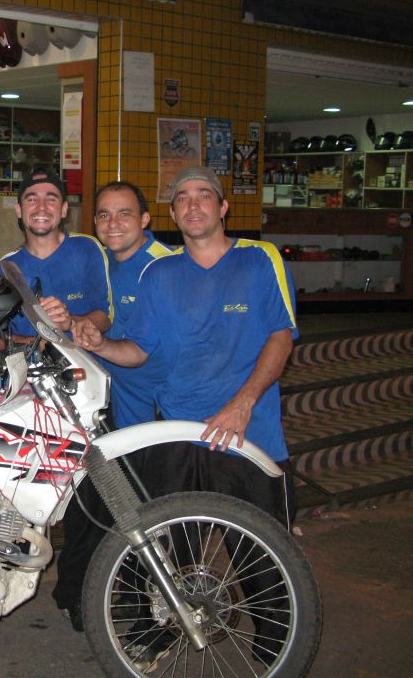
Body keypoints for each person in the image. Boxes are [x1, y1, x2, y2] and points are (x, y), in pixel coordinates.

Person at [72, 165, 297, 665]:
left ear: (222, 207)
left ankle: (280, 640)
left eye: (203, 196)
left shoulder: (260, 260)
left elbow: (281, 336)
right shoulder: (161, 273)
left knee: (262, 554)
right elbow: (141, 351)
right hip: (177, 431)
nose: (193, 206)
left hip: (247, 433)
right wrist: (102, 343)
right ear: (172, 214)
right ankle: (166, 627)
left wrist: (242, 403)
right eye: (183, 200)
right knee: (168, 549)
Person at [51, 180, 172, 630]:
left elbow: (138, 349)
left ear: (144, 219)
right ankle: (80, 597)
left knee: (152, 523)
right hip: (117, 411)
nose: (113, 223)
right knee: (95, 508)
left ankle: (153, 621)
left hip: (161, 414)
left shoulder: (164, 267)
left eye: (124, 213)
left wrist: (96, 340)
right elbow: (101, 322)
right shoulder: (109, 264)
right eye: (104, 214)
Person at [0, 166, 112, 337]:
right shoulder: (4, 268)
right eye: (32, 200)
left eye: (51, 199)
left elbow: (105, 318)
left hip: (82, 362)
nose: (41, 207)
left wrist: (70, 322)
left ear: (64, 209)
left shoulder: (87, 249)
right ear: (19, 210)